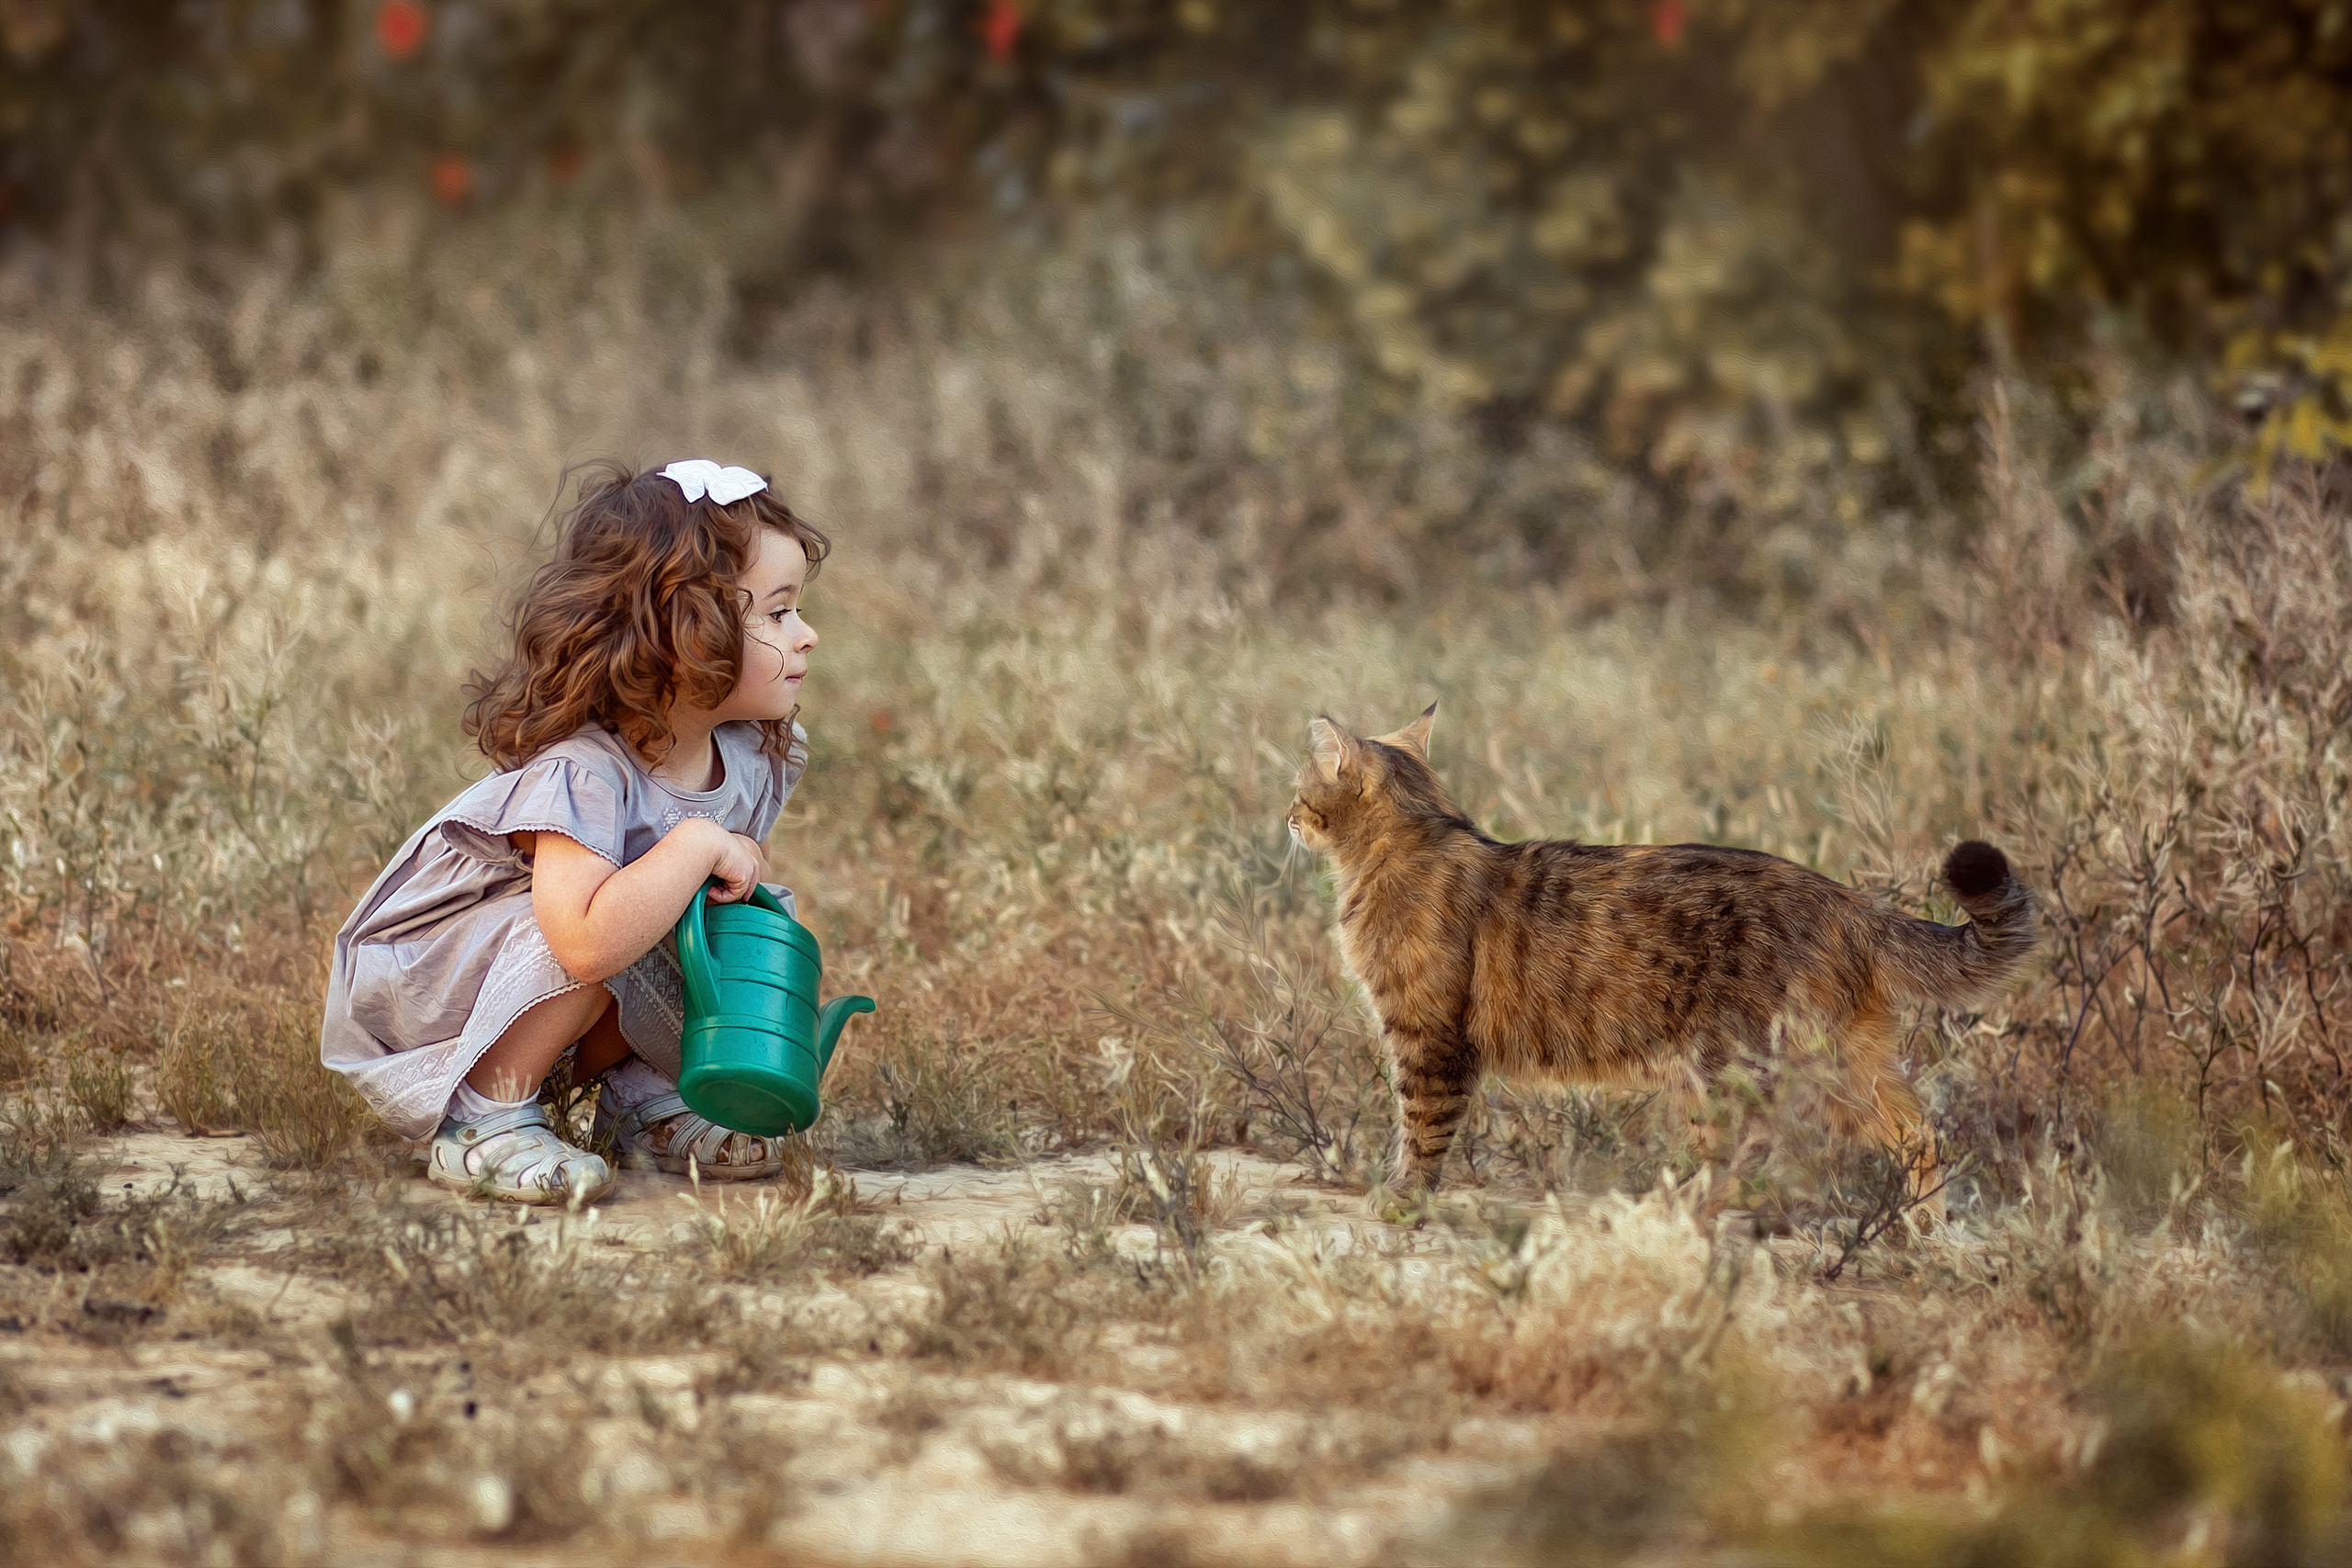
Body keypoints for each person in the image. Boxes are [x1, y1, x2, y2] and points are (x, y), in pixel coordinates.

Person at [320, 458, 828, 1202]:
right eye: (779, 613)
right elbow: (583, 943)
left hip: (555, 988)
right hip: (440, 984)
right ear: (682, 633)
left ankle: (644, 1103)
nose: (808, 635)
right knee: (610, 917)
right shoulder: (585, 770)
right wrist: (693, 845)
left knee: (719, 918)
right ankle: (484, 1119)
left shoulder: (749, 756)